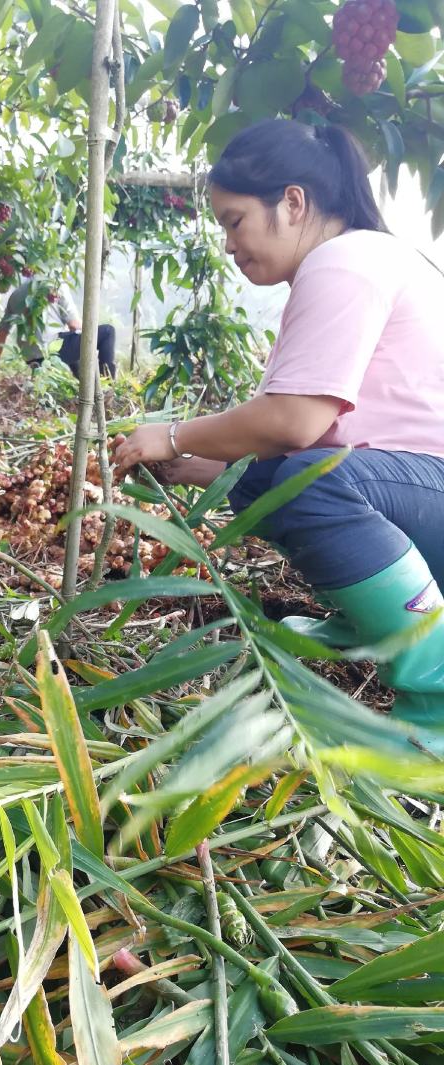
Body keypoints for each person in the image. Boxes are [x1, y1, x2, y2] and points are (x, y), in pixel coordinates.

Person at [111, 118, 444, 750]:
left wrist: (174, 436)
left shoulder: (344, 261)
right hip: (423, 490)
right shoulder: (364, 258)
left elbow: (294, 422)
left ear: (293, 203)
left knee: (306, 486)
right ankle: (386, 625)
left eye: (235, 222)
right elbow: (313, 438)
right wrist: (205, 471)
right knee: (279, 480)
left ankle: (436, 711)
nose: (230, 247)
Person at [0, 279, 117, 378]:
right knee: (107, 331)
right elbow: (74, 324)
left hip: (30, 357)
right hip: (53, 350)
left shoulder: (16, 294)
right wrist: (92, 339)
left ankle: (86, 388)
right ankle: (107, 384)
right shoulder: (55, 285)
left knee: (71, 343)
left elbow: (2, 331)